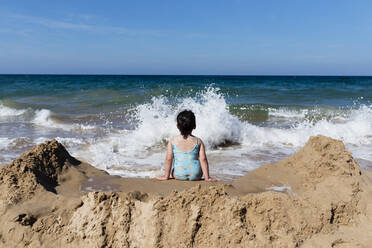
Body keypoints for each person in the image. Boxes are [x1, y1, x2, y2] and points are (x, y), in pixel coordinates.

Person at [156, 110, 216, 181]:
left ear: (177, 126)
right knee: (198, 168)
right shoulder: (198, 141)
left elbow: (168, 159)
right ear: (194, 126)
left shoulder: (172, 141)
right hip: (196, 175)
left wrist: (166, 176)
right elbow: (203, 159)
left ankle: (169, 175)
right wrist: (207, 178)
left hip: (179, 174)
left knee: (173, 171)